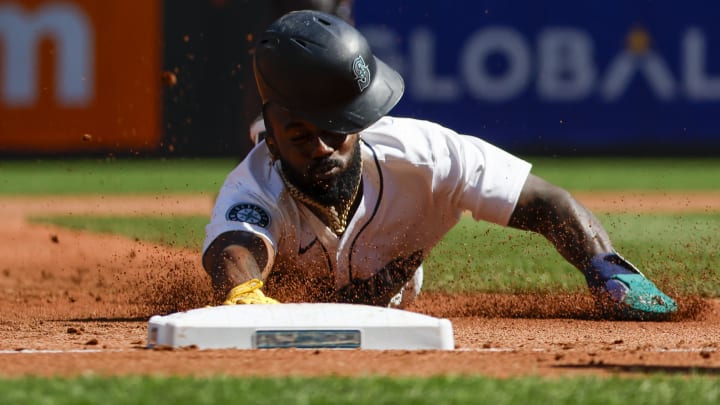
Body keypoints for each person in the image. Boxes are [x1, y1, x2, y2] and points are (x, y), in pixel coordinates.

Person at [202, 10, 677, 319]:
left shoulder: (425, 155)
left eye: (338, 127)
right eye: (303, 135)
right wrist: (244, 293)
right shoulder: (254, 183)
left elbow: (545, 202)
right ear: (275, 129)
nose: (324, 147)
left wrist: (608, 268)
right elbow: (237, 245)